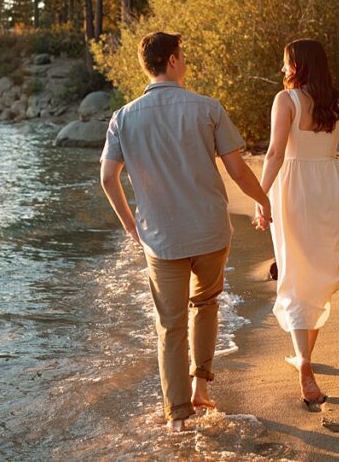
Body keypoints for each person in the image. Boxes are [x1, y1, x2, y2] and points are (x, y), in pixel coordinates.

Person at [99, 32, 273, 431]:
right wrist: (263, 201)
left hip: (161, 238)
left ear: (148, 66)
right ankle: (201, 388)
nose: (185, 59)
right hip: (210, 231)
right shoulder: (207, 108)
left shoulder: (123, 117)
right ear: (173, 61)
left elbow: (108, 178)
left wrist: (130, 224)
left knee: (170, 324)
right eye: (184, 54)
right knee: (207, 304)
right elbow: (238, 171)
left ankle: (177, 416)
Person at [256, 38, 339, 408]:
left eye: (286, 62)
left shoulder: (285, 101)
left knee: (295, 272)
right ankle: (304, 358)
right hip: (330, 186)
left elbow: (274, 152)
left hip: (293, 187)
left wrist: (261, 197)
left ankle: (303, 362)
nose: (283, 68)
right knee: (319, 274)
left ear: (298, 65)